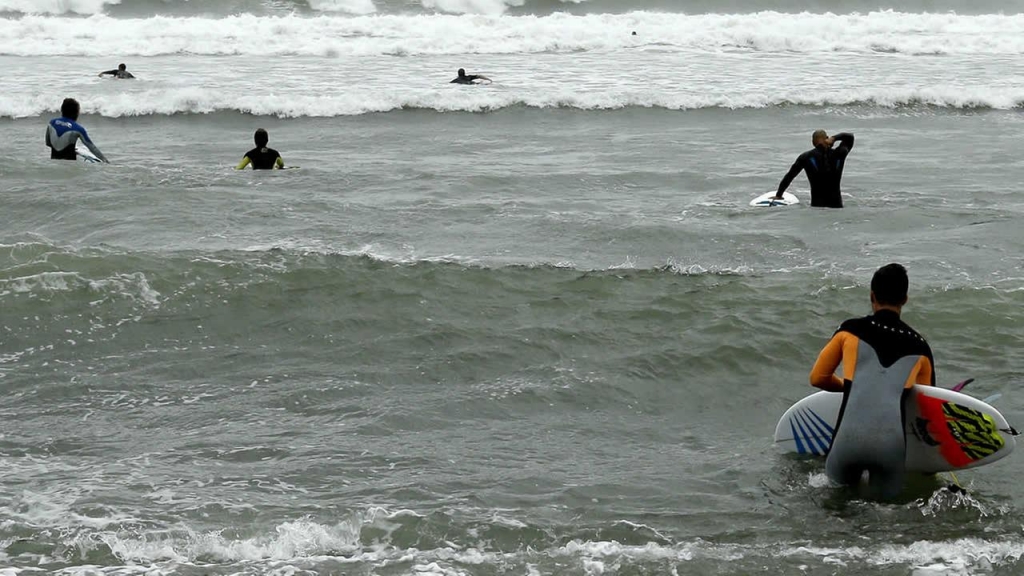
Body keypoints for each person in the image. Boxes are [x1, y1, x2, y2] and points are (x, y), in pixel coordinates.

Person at [809, 263, 934, 499]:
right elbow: (923, 409)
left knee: (834, 504)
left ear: (872, 296)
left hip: (848, 441)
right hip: (891, 448)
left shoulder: (849, 330)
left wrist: (850, 387)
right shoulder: (921, 347)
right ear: (905, 299)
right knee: (883, 518)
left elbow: (818, 378)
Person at [773, 130, 854, 208]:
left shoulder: (805, 157)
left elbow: (790, 176)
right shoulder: (840, 153)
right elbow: (850, 137)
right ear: (827, 138)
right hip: (837, 206)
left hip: (817, 206)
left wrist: (779, 195)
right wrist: (834, 138)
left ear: (813, 142)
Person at [45, 98, 109, 163]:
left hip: (54, 163)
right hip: (69, 165)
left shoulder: (52, 123)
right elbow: (92, 147)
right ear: (76, 112)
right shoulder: (78, 128)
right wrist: (105, 160)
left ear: (62, 110)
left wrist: (64, 148)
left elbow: (48, 143)